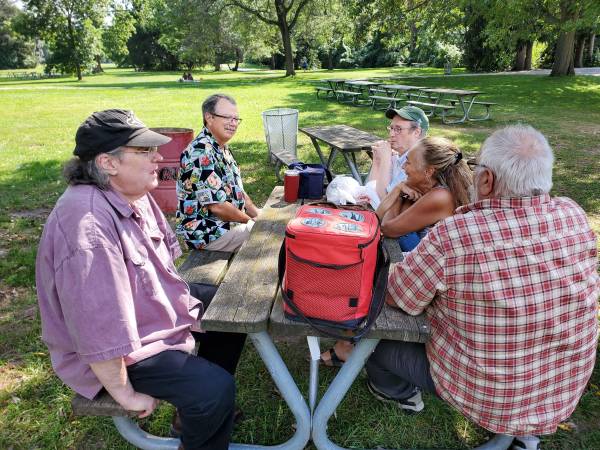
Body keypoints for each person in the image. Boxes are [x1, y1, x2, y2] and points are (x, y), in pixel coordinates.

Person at [366, 125, 599, 450]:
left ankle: (400, 394)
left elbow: (398, 296)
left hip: (488, 394)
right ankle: (526, 438)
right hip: (561, 387)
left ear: (486, 180)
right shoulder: (574, 216)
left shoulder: (457, 233)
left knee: (374, 342)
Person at [36, 109, 245, 450]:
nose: (158, 158)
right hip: (118, 350)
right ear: (108, 163)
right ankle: (203, 407)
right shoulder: (87, 228)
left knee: (229, 307)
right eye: (144, 151)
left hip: (147, 312)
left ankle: (193, 411)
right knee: (214, 389)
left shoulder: (133, 193)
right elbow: (98, 329)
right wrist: (124, 392)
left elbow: (162, 267)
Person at [320, 136, 472, 367]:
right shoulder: (433, 189)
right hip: (433, 268)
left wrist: (398, 192)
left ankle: (348, 347)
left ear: (429, 170)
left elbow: (386, 227)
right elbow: (387, 222)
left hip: (442, 285)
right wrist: (400, 196)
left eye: (409, 163)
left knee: (363, 279)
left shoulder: (439, 197)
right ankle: (347, 344)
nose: (403, 167)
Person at [176, 94, 259, 252]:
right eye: (227, 117)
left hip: (227, 225)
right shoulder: (199, 152)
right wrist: (252, 222)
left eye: (236, 119)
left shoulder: (220, 147)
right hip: (209, 233)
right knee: (268, 239)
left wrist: (258, 214)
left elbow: (237, 190)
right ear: (209, 118)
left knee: (274, 227)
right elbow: (218, 207)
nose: (233, 123)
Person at [368, 105, 429, 200]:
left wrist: (385, 159)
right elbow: (370, 188)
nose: (391, 134)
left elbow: (385, 201)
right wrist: (377, 160)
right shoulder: (399, 156)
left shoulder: (418, 163)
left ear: (416, 132)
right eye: (391, 128)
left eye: (398, 129)